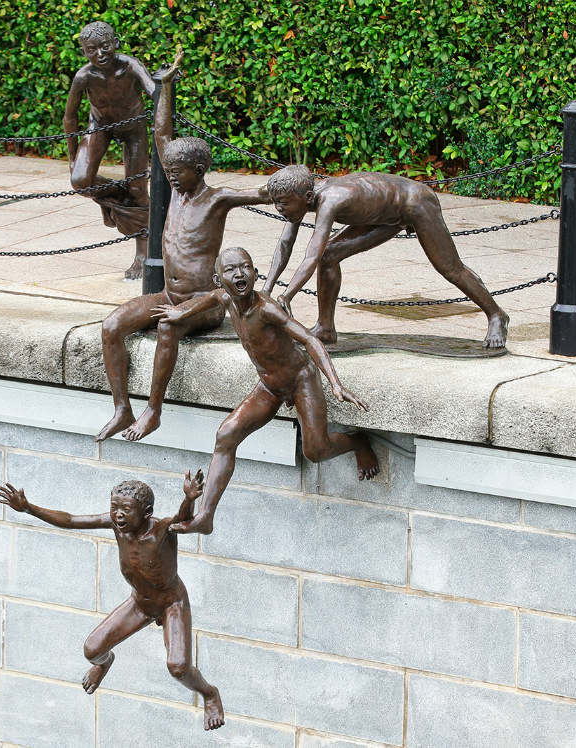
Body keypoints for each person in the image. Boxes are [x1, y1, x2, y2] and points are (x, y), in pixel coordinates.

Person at [97, 47, 273, 442]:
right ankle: (122, 408)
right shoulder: (177, 193)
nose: (170, 179)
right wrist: (166, 86)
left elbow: (261, 193)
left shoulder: (217, 198)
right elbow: (162, 133)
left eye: (177, 173)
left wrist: (295, 186)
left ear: (198, 171)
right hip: (168, 294)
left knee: (167, 326)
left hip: (204, 305)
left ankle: (152, 411)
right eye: (168, 171)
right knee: (111, 326)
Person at [154, 247, 378, 535]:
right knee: (226, 434)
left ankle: (358, 441)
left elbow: (310, 340)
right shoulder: (223, 296)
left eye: (245, 267)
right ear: (218, 278)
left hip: (300, 379)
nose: (239, 274)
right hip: (269, 384)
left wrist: (334, 382)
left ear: (256, 274)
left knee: (316, 451)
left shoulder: (266, 309)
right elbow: (207, 300)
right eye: (231, 270)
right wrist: (179, 311)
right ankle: (205, 517)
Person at [0, 470, 226, 731]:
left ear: (146, 512)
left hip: (171, 603)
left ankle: (209, 693)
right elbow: (71, 520)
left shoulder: (161, 529)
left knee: (178, 667)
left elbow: (182, 519)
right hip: (140, 603)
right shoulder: (116, 525)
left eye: (126, 510)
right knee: (92, 650)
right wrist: (29, 508)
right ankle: (104, 665)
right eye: (114, 507)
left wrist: (189, 499)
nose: (118, 515)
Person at [263, 165, 510, 348]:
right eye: (276, 203)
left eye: (283, 203)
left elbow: (310, 256)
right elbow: (286, 243)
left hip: (414, 202)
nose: (279, 209)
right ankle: (326, 328)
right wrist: (266, 290)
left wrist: (287, 295)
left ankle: (496, 314)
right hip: (383, 213)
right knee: (331, 255)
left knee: (450, 268)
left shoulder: (330, 200)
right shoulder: (301, 196)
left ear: (306, 197)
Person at [64, 21, 154, 279]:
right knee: (81, 181)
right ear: (84, 52)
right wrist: (73, 158)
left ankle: (142, 255)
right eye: (92, 50)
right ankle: (119, 191)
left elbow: (152, 91)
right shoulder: (84, 76)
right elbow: (70, 118)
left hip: (134, 128)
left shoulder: (130, 66)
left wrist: (164, 84)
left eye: (104, 47)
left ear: (115, 43)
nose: (100, 54)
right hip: (100, 127)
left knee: (138, 190)